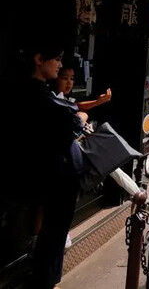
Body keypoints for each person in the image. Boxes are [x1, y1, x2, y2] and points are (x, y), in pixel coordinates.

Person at [9, 40, 84, 289]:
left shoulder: (41, 93)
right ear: (39, 59)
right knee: (51, 235)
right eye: (57, 59)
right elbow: (72, 121)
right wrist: (79, 117)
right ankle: (46, 282)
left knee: (53, 236)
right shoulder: (33, 94)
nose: (60, 65)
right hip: (52, 177)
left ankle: (48, 281)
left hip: (56, 176)